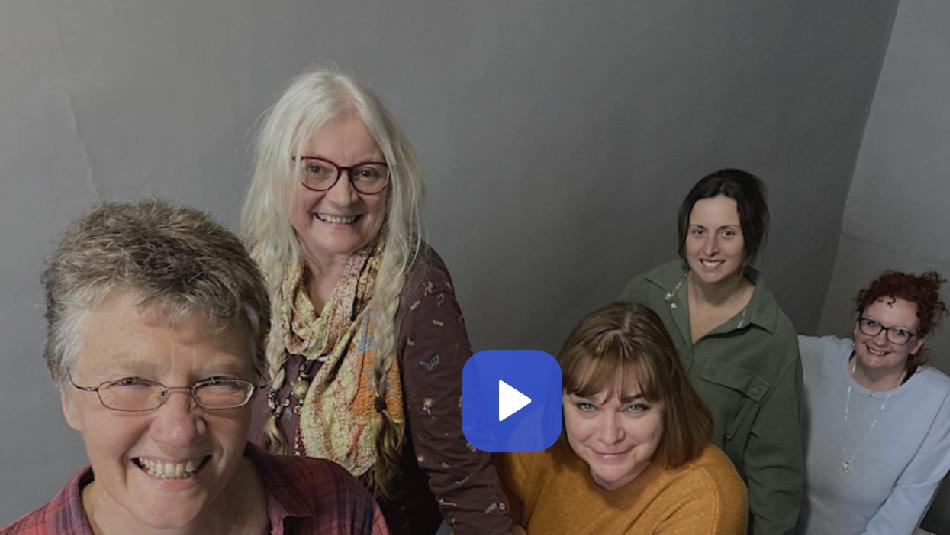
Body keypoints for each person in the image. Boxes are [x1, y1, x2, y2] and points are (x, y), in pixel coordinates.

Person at [2, 200, 388, 534]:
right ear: (67, 393)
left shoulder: (338, 507)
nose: (179, 431)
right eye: (131, 382)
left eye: (216, 381)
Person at [242, 67, 510, 534]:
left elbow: (459, 470)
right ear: (279, 172)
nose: (342, 196)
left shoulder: (417, 289)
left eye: (367, 173)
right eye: (316, 170)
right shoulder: (249, 271)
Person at [620, 168, 803, 533]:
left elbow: (775, 465)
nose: (709, 249)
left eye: (728, 234)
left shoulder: (773, 338)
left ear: (750, 241)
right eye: (698, 232)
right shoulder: (646, 293)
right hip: (622, 488)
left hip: (698, 508)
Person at [498, 303, 747, 534]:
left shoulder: (705, 497)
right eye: (587, 406)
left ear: (669, 406)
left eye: (635, 408)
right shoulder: (536, 436)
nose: (609, 436)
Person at [797, 271, 950, 534]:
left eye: (899, 332)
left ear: (916, 344)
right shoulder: (812, 356)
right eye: (871, 324)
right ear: (857, 325)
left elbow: (907, 503)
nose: (879, 339)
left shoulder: (939, 399)